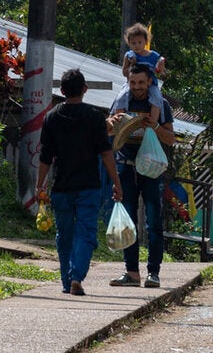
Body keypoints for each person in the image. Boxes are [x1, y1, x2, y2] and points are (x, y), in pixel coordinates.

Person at [36, 69, 122, 296]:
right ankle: (76, 277)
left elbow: (45, 156)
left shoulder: (51, 117)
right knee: (85, 233)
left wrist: (39, 185)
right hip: (89, 187)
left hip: (61, 187)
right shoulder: (95, 118)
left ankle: (67, 282)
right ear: (85, 89)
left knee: (64, 235)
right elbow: (106, 153)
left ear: (62, 91)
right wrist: (117, 182)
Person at [107, 63, 176, 288]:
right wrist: (112, 124)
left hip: (150, 169)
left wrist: (154, 127)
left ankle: (153, 273)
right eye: (133, 82)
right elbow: (107, 131)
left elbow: (170, 138)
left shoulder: (160, 104)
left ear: (149, 83)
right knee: (128, 221)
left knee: (153, 222)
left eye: (141, 83)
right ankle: (131, 273)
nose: (136, 87)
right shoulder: (120, 102)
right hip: (125, 166)